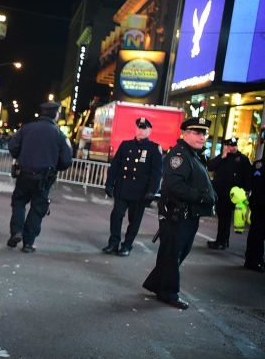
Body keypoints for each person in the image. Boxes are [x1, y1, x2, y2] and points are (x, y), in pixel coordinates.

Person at [143, 117, 216, 310]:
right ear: (185, 133)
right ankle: (169, 292)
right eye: (197, 133)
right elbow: (174, 186)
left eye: (204, 133)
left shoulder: (193, 155)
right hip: (177, 215)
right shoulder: (180, 155)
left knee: (174, 253)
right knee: (173, 254)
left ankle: (157, 284)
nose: (202, 137)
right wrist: (201, 197)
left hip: (186, 215)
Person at [7, 101, 73, 253]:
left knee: (18, 202)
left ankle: (16, 231)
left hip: (24, 173)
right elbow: (66, 160)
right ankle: (28, 243)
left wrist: (20, 156)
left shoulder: (27, 128)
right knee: (37, 209)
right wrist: (56, 166)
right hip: (44, 178)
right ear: (56, 115)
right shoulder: (59, 134)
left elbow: (13, 146)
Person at [103, 117, 163, 256]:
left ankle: (127, 246)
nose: (141, 131)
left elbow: (157, 173)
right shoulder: (125, 145)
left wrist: (152, 191)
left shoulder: (154, 149)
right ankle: (113, 244)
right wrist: (109, 183)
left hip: (140, 192)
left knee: (134, 221)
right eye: (139, 127)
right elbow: (115, 166)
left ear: (149, 131)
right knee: (116, 216)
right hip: (122, 188)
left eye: (144, 128)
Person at [206, 137, 252, 250]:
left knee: (226, 219)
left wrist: (247, 192)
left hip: (233, 195)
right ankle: (222, 240)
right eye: (230, 146)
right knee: (222, 218)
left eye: (234, 145)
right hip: (220, 193)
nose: (233, 148)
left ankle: (221, 241)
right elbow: (210, 166)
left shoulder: (242, 159)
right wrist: (222, 156)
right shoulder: (223, 158)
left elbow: (248, 177)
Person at [244, 157, 264, 272]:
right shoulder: (259, 165)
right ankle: (253, 260)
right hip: (259, 205)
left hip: (258, 204)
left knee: (258, 234)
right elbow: (254, 184)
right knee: (257, 234)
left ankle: (258, 259)